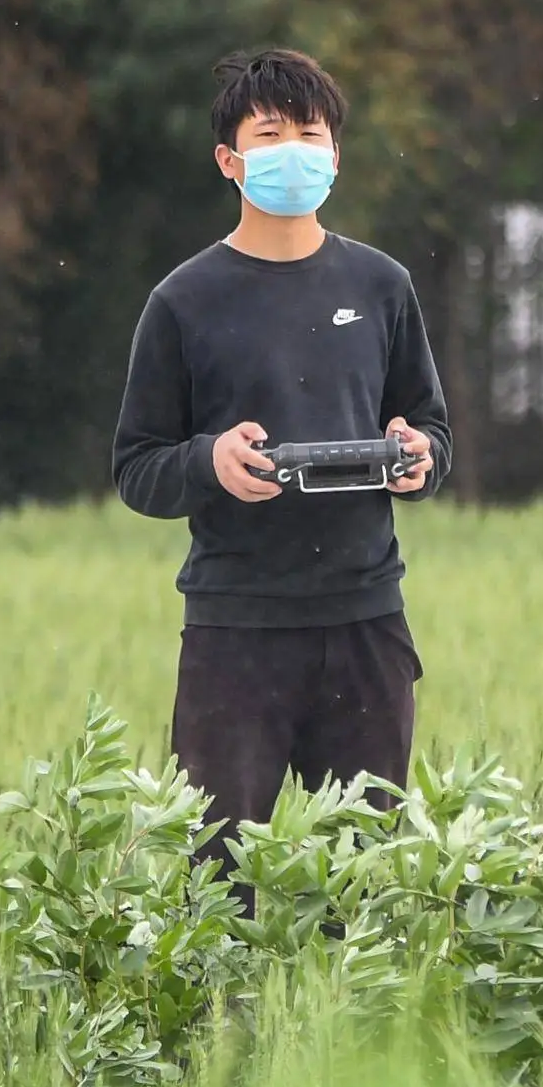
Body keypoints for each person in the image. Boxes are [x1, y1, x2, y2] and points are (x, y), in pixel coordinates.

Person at [108, 44, 444, 860]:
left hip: (366, 623)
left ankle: (346, 999)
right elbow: (137, 465)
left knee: (364, 878)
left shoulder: (382, 286)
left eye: (310, 133)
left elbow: (433, 431)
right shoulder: (183, 301)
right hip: (236, 629)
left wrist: (416, 456)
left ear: (335, 156)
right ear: (229, 160)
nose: (293, 150)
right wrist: (209, 463)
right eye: (270, 134)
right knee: (218, 881)